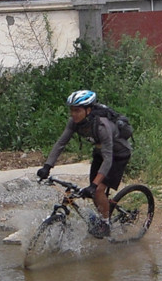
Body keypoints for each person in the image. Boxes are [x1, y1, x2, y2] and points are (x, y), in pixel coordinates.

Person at [37, 89, 133, 233]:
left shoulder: (102, 126)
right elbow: (60, 143)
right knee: (93, 191)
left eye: (77, 110)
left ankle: (105, 224)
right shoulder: (74, 122)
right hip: (100, 154)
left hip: (118, 155)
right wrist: (47, 166)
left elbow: (108, 159)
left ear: (88, 110)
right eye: (72, 110)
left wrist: (95, 185)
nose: (73, 114)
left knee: (98, 189)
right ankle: (103, 212)